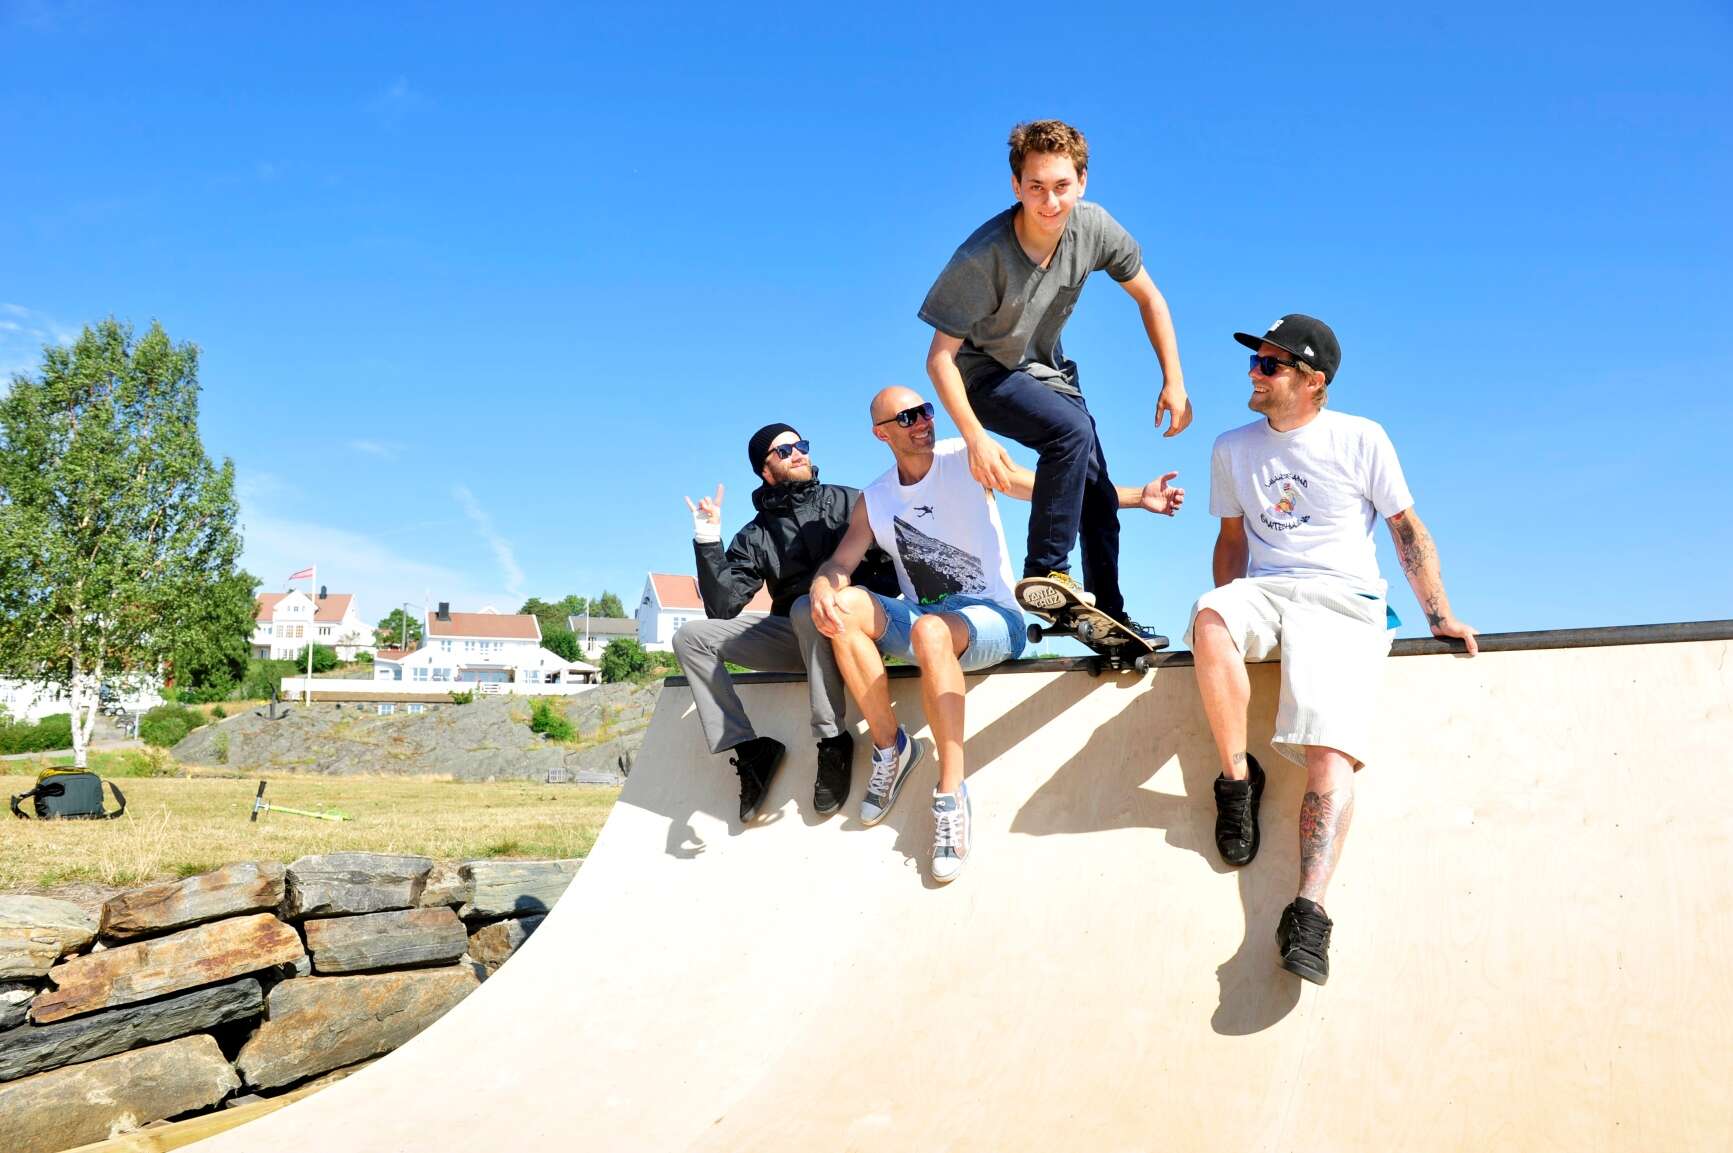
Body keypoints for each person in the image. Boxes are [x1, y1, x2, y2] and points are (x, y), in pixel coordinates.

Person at [1186, 314, 1478, 983]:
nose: (1254, 374)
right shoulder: (1231, 448)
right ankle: (1237, 781)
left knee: (1328, 749)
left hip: (1342, 597)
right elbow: (1231, 541)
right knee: (1209, 616)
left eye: (1270, 365)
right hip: (1267, 590)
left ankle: (1309, 911)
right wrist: (1230, 613)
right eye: (1254, 362)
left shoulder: (1360, 437)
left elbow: (1405, 527)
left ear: (1313, 380)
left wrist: (1439, 614)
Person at [810, 386, 1184, 883]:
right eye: (907, 418)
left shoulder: (964, 457)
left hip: (992, 619)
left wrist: (1138, 497)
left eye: (925, 411)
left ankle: (950, 792)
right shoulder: (875, 499)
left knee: (930, 631)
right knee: (844, 606)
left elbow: (1047, 488)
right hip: (926, 623)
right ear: (882, 434)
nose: (923, 422)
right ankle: (892, 747)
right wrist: (824, 583)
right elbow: (841, 562)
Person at [919, 118, 1191, 637]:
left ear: (1082, 181)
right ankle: (1046, 571)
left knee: (1098, 493)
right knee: (1070, 430)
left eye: (1062, 186)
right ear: (1016, 186)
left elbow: (1150, 297)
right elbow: (939, 359)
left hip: (1046, 373)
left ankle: (1107, 615)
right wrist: (975, 438)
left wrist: (1173, 380)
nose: (1050, 202)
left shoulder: (1094, 227)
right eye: (1036, 187)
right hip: (980, 374)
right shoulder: (982, 257)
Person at [676, 422, 897, 822]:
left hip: (858, 634)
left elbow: (895, 567)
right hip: (800, 641)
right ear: (765, 470)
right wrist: (708, 540)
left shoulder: (849, 502)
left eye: (801, 445)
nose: (797, 454)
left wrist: (849, 594)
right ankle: (752, 752)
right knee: (690, 637)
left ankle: (833, 741)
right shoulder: (757, 534)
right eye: (784, 451)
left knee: (805, 606)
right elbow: (723, 607)